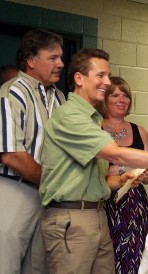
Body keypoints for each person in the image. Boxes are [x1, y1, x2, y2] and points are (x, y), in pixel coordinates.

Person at [39, 48, 148, 274]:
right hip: (72, 218)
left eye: (108, 76)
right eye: (100, 76)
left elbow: (94, 180)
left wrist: (122, 179)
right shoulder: (70, 116)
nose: (107, 82)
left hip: (96, 214)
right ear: (79, 78)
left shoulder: (92, 119)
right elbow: (115, 154)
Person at [0, 29, 65, 274]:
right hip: (14, 191)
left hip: (47, 197)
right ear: (30, 60)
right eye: (53, 58)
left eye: (60, 57)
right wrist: (53, 183)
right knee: (6, 265)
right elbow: (11, 154)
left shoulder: (58, 97)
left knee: (38, 268)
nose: (60, 63)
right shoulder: (11, 93)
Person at [96, 76, 148, 274]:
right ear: (104, 99)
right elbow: (98, 170)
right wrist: (126, 169)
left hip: (135, 204)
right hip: (107, 201)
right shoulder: (96, 129)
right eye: (115, 95)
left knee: (138, 256)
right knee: (109, 257)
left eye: (126, 96)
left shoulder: (140, 131)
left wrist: (146, 175)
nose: (122, 100)